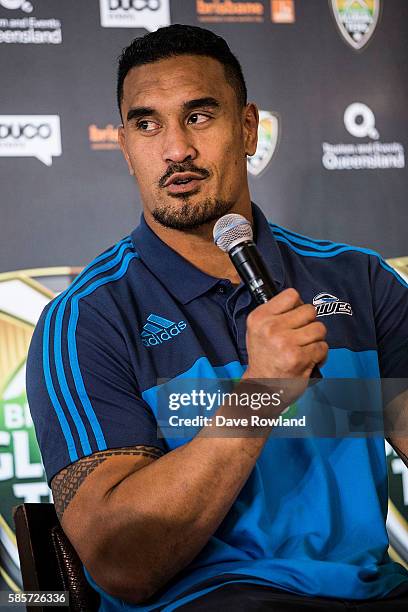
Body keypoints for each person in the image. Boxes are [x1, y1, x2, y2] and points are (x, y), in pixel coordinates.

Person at [26, 24, 408, 612]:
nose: (175, 148)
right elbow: (122, 563)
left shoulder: (360, 281)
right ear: (126, 148)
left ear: (249, 128)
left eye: (199, 117)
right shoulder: (84, 320)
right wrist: (260, 393)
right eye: (147, 124)